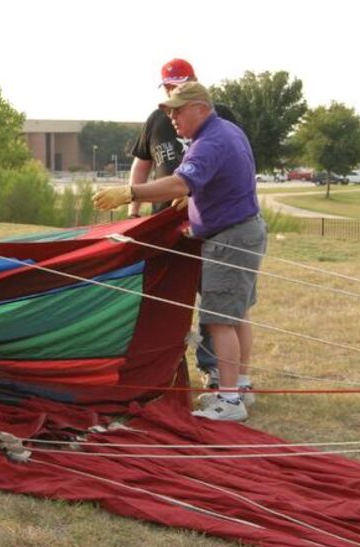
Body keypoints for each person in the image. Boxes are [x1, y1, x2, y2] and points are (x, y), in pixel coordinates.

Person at [93, 82, 267, 422]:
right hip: (241, 231)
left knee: (220, 320)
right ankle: (240, 386)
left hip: (230, 237)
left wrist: (130, 193)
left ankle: (229, 401)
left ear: (201, 108)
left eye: (178, 110)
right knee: (236, 313)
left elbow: (178, 182)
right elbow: (225, 176)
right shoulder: (227, 131)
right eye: (169, 111)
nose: (172, 117)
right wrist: (194, 198)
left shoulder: (210, 141)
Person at [127, 58, 241, 392]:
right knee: (163, 296)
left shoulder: (220, 118)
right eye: (168, 86)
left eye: (181, 84)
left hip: (210, 222)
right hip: (165, 223)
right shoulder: (156, 120)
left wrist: (192, 197)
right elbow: (141, 166)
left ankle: (214, 369)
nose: (173, 93)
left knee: (215, 298)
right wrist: (134, 212)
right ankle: (159, 367)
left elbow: (232, 164)